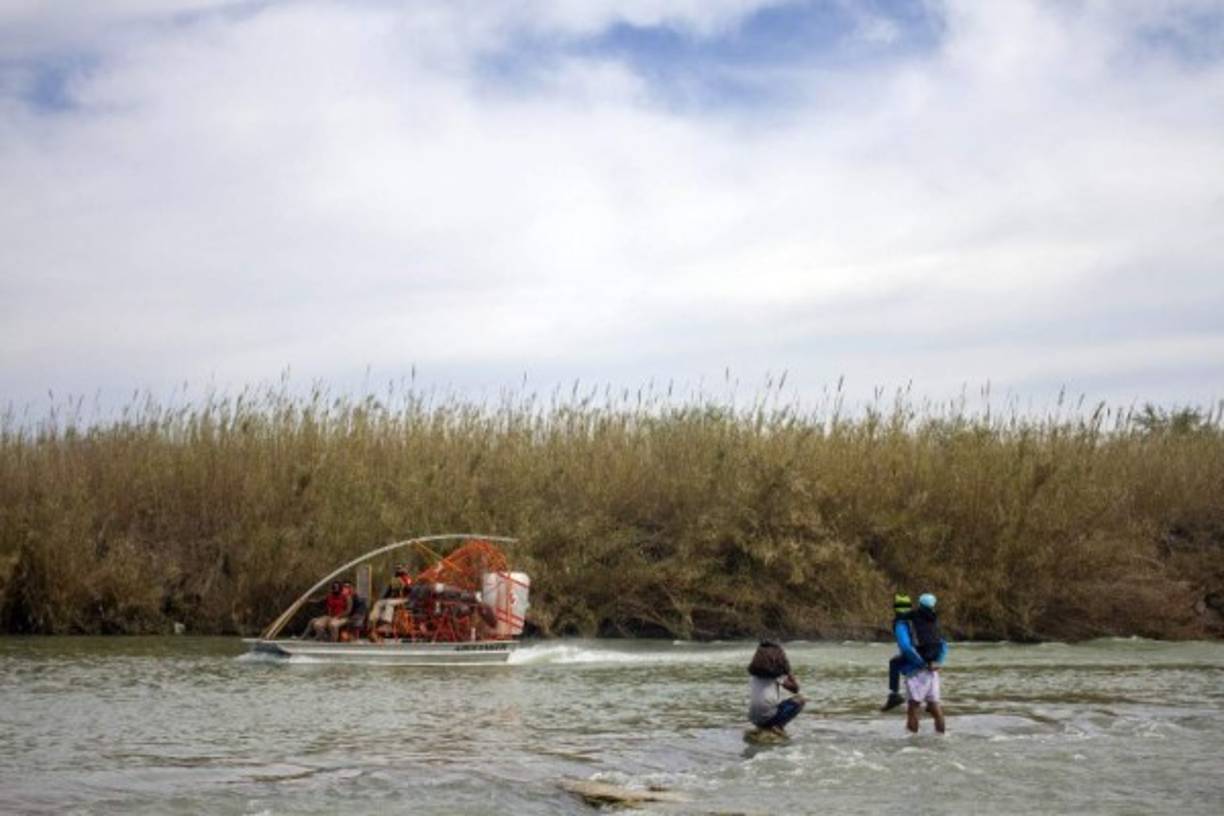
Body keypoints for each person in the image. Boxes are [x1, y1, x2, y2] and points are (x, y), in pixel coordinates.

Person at [905, 593, 948, 734]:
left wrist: (920, 662)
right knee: (935, 706)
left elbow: (907, 645)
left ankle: (912, 741)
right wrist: (938, 662)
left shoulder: (913, 618)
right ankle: (942, 737)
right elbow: (943, 644)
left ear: (919, 604)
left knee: (913, 707)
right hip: (934, 668)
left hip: (919, 668)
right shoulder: (935, 620)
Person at [747, 640, 806, 735]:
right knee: (800, 700)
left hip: (753, 719)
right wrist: (788, 670)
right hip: (768, 719)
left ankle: (763, 727)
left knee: (772, 706)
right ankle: (777, 726)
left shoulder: (754, 675)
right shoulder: (776, 676)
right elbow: (796, 689)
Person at [881, 593, 920, 711]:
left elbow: (905, 645)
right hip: (925, 652)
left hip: (914, 654)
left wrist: (917, 660)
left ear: (895, 607)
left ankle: (895, 695)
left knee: (894, 663)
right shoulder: (915, 619)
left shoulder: (900, 622)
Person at [368, 565, 414, 640]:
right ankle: (373, 620)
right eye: (397, 569)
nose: (398, 570)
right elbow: (388, 591)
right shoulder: (393, 579)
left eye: (400, 569)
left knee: (389, 603)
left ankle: (387, 623)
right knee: (379, 603)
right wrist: (382, 598)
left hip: (404, 599)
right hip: (394, 599)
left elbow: (410, 590)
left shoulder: (407, 579)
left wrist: (404, 585)